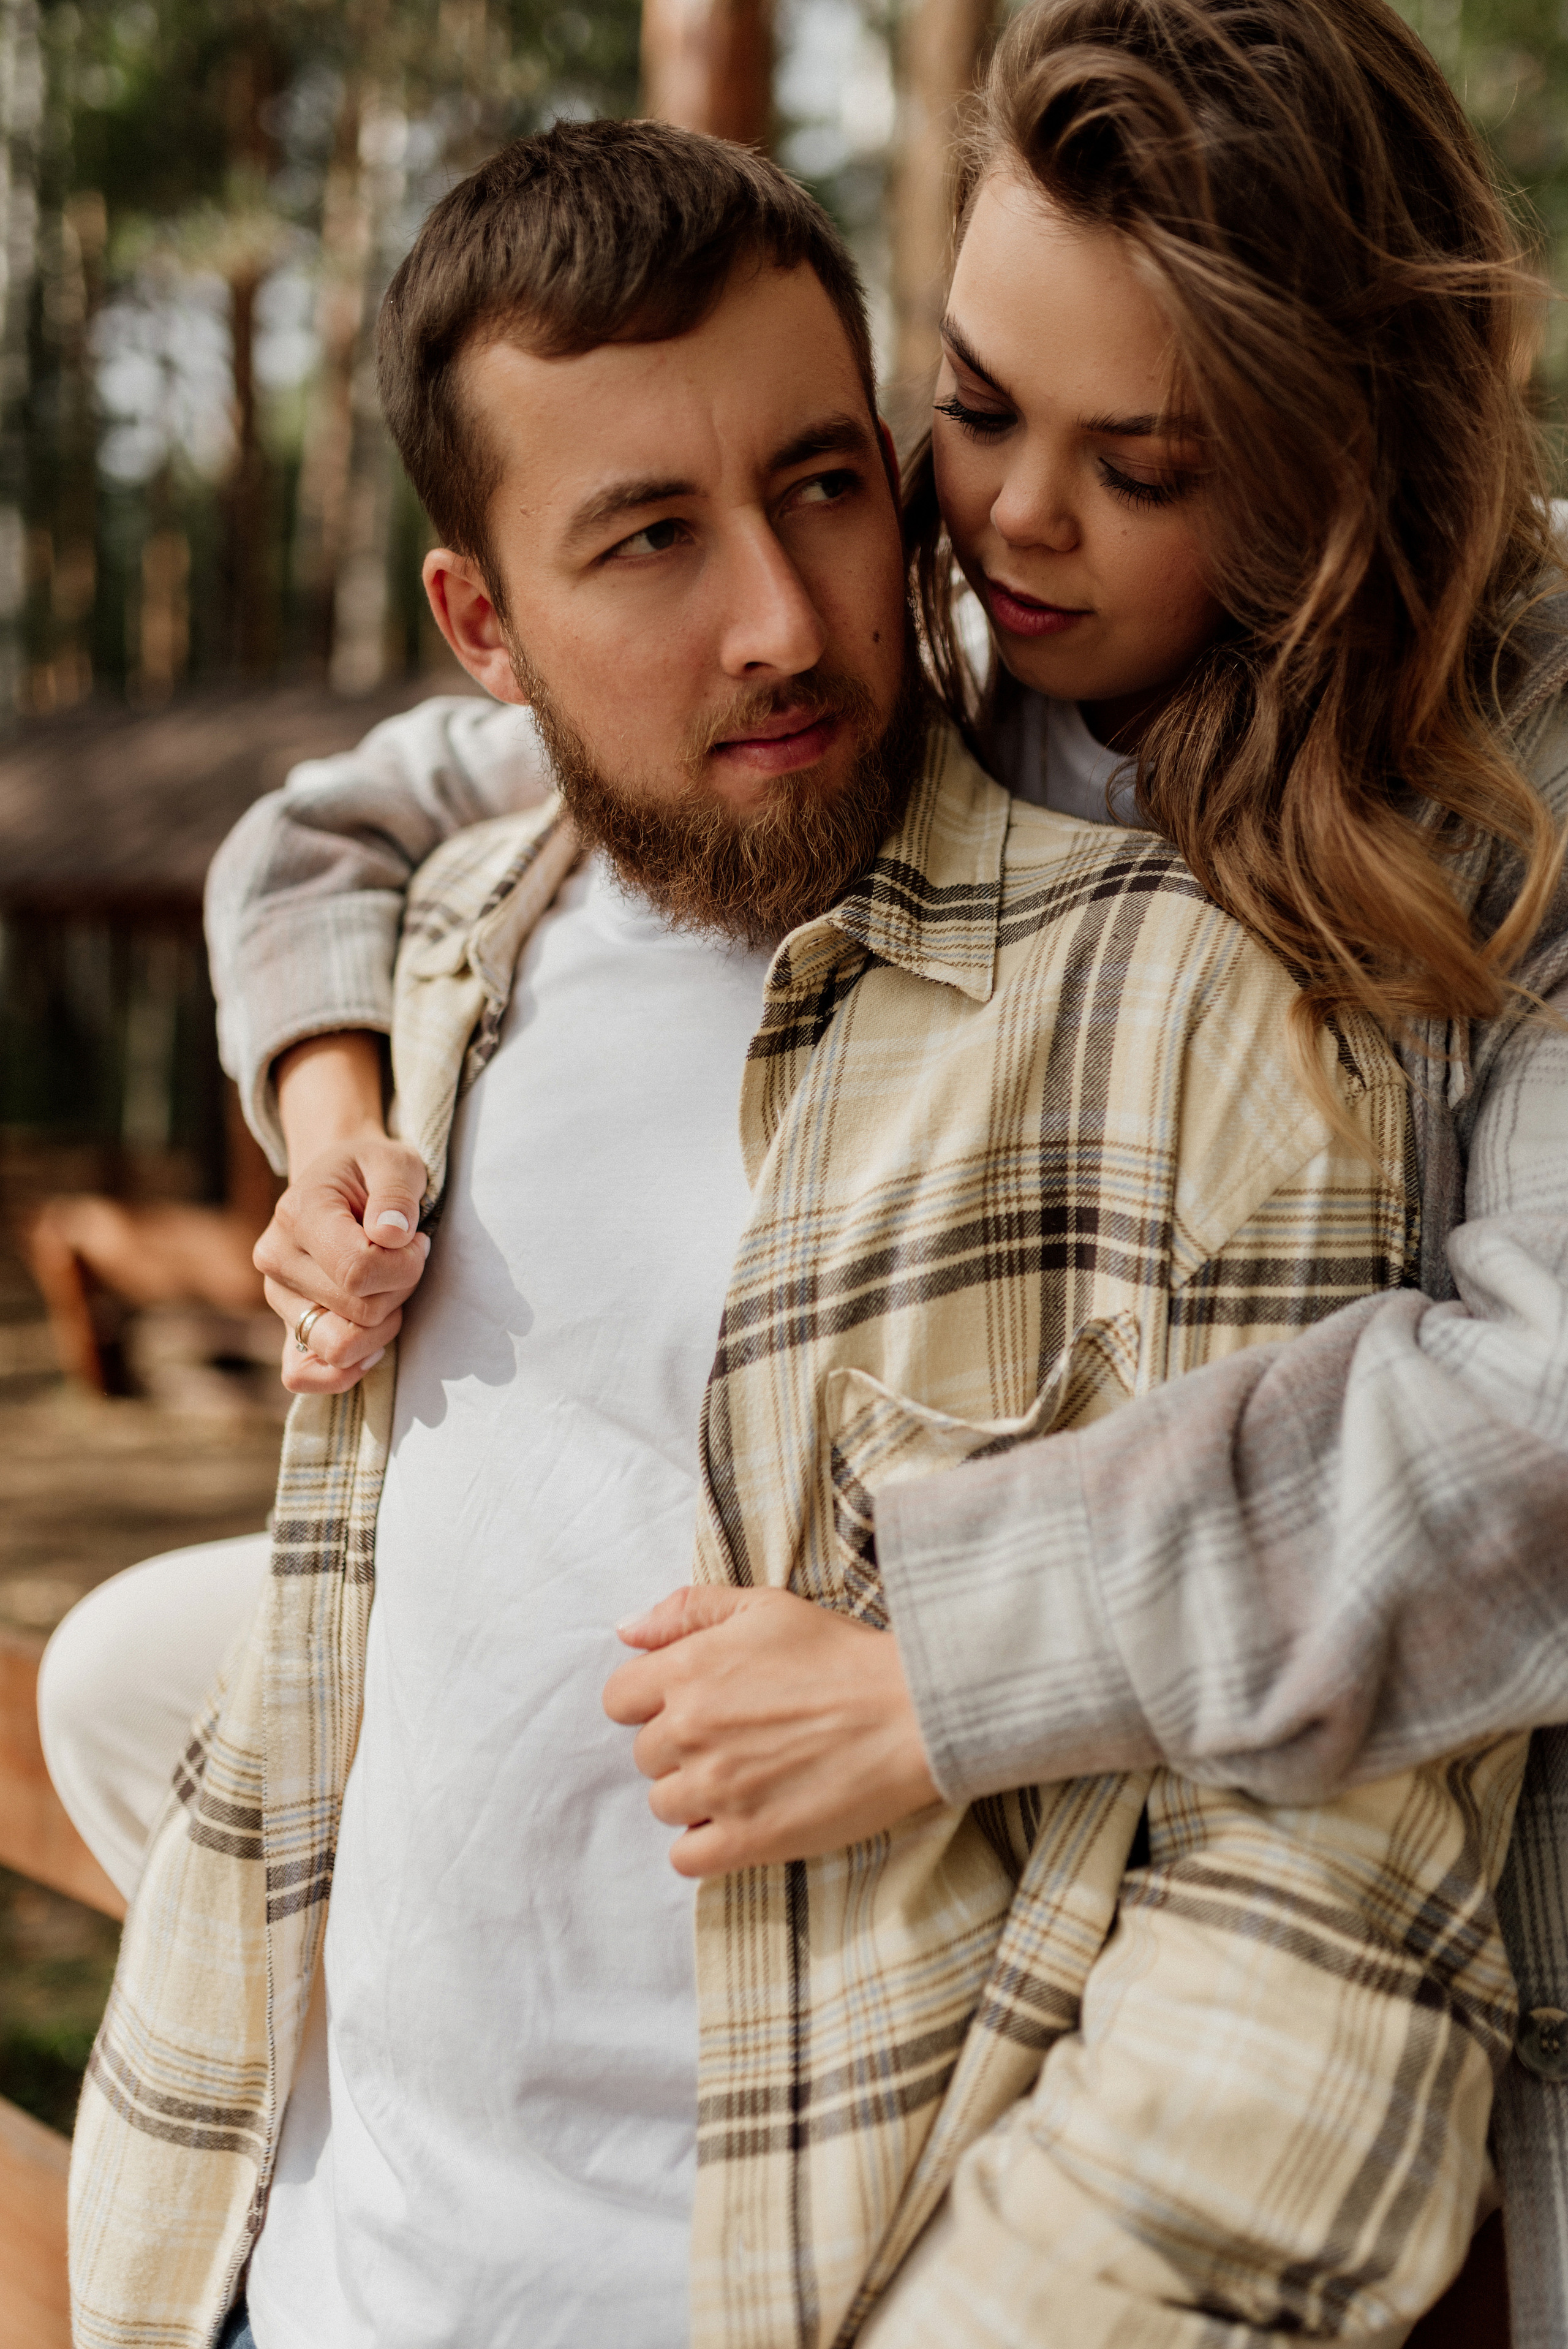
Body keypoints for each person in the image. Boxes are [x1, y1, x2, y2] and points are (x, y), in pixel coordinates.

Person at [61, 102, 1529, 2349]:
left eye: (827, 484)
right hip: (296, 2284)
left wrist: (940, 1666)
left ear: (1340, 479)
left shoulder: (1226, 1005)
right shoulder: (488, 914)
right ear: (485, 620)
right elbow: (337, 823)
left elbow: (1483, 1547)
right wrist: (328, 1095)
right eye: (965, 421)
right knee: (127, 1670)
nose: (794, 613)